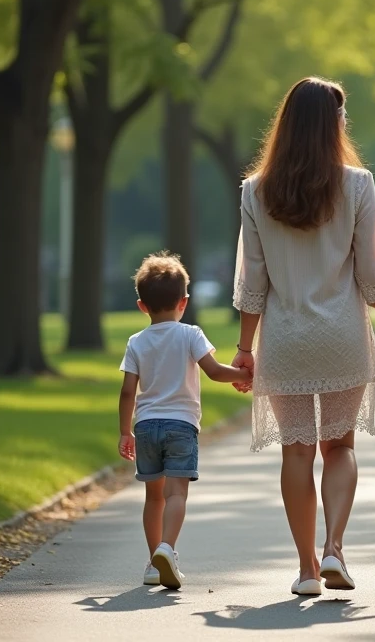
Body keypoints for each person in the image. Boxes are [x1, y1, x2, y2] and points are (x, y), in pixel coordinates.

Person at [230, 77, 375, 597]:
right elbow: (372, 274)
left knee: (296, 453)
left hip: (285, 338)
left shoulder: (256, 191)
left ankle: (305, 569)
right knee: (340, 446)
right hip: (342, 334)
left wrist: (243, 348)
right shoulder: (357, 184)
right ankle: (335, 550)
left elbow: (252, 280)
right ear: (334, 125)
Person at [118, 252, 253, 589]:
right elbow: (214, 371)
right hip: (181, 426)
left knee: (154, 497)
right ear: (184, 302)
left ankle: (153, 562)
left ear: (142, 306)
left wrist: (125, 431)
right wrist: (245, 375)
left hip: (146, 426)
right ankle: (168, 547)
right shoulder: (191, 334)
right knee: (177, 494)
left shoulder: (136, 343)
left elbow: (127, 393)